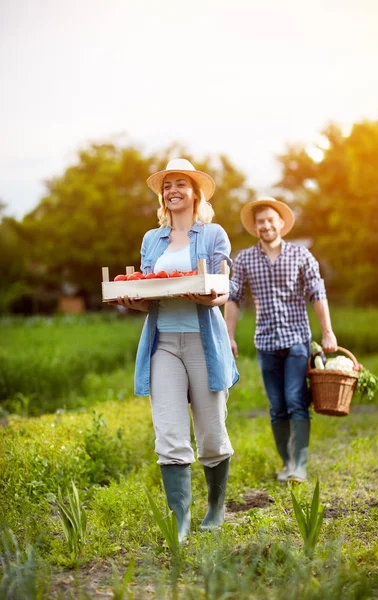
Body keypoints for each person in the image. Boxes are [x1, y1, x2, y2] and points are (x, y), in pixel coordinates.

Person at [111, 158, 239, 542]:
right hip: (163, 342)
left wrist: (209, 297)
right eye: (167, 186)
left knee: (212, 434)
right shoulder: (153, 239)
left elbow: (223, 288)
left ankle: (215, 508)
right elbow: (150, 290)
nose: (173, 191)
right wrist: (131, 301)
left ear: (195, 192)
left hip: (204, 343)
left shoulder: (214, 233)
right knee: (169, 433)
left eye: (181, 183)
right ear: (163, 197)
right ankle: (180, 519)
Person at [225, 198, 337, 483]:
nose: (265, 225)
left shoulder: (301, 255)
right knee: (276, 406)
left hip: (297, 339)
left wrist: (327, 332)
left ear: (281, 223)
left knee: (295, 400)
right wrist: (229, 337)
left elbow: (317, 293)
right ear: (255, 227)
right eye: (260, 221)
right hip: (266, 342)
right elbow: (234, 299)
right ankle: (287, 463)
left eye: (270, 220)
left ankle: (299, 465)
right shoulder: (245, 259)